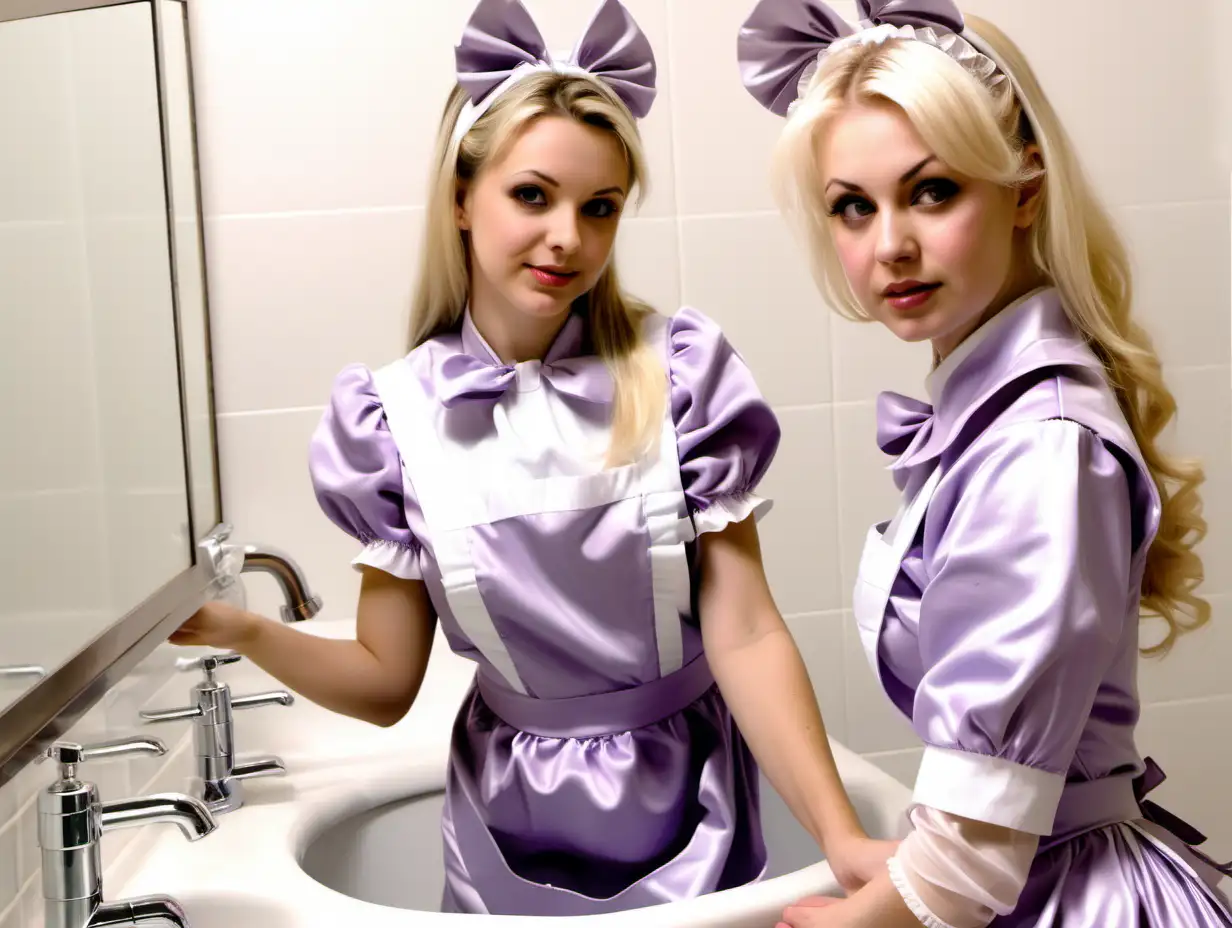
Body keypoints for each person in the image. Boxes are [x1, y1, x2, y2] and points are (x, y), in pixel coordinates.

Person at [171, 0, 894, 916]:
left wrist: (839, 833)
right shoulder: (392, 422)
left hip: (693, 802)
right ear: (461, 199)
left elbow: (746, 631)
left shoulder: (676, 377)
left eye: (600, 209)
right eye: (533, 196)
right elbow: (388, 683)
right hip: (501, 819)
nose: (569, 240)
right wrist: (247, 634)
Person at [736, 1, 1232, 926]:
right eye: (854, 205)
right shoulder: (994, 414)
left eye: (932, 191)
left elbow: (970, 865)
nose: (891, 246)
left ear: (1025, 188)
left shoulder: (1040, 447)